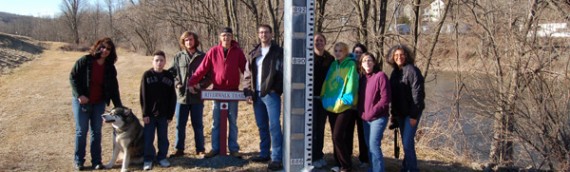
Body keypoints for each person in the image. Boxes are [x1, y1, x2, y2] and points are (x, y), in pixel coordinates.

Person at [187, 27, 247, 158]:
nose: (226, 38)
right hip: (217, 92)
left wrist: (250, 86)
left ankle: (233, 148)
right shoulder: (213, 51)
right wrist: (192, 82)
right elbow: (202, 69)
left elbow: (246, 70)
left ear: (232, 37)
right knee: (216, 122)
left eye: (229, 35)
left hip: (233, 92)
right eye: (224, 35)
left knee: (233, 122)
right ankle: (215, 148)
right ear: (220, 37)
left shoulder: (238, 52)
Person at [70, 37, 123, 171]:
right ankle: (79, 161)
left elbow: (114, 88)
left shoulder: (110, 68)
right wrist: (79, 95)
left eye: (109, 49)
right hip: (82, 102)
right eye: (103, 47)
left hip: (99, 103)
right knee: (81, 131)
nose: (105, 50)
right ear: (98, 46)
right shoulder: (85, 60)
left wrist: (118, 107)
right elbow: (73, 77)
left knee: (96, 132)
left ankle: (96, 161)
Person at [243, 24, 284, 171]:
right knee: (262, 126)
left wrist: (276, 89)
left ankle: (277, 157)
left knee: (274, 126)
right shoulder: (254, 52)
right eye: (261, 32)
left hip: (271, 94)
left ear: (271, 34)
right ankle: (264, 153)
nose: (263, 35)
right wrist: (247, 92)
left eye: (266, 32)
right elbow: (247, 74)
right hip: (256, 95)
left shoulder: (278, 52)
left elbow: (282, 73)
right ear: (258, 35)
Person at [168, 31, 211, 157]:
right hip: (182, 97)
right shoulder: (178, 56)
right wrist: (177, 84)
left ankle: (200, 148)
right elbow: (172, 73)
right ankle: (179, 149)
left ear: (195, 41)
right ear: (183, 42)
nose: (188, 42)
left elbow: (209, 77)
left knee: (198, 124)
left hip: (197, 97)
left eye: (191, 39)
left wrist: (200, 85)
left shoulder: (203, 56)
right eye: (186, 40)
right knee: (179, 125)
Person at [321, 42, 359, 172]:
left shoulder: (351, 65)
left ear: (346, 51)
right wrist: (323, 95)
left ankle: (346, 166)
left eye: (340, 51)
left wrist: (346, 100)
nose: (337, 53)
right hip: (331, 104)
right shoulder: (333, 64)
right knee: (334, 136)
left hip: (344, 106)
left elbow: (352, 83)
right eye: (336, 51)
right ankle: (338, 163)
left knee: (338, 136)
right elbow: (327, 80)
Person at [386, 44, 425, 172]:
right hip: (400, 114)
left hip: (411, 113)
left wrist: (414, 116)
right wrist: (393, 114)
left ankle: (412, 169)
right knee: (405, 142)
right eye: (396, 55)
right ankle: (405, 167)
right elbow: (393, 96)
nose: (399, 57)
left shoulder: (412, 70)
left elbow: (418, 96)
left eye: (401, 54)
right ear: (392, 57)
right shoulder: (394, 73)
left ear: (406, 56)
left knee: (408, 143)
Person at [140, 50, 176, 170]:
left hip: (164, 114)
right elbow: (143, 96)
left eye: (161, 60)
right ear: (153, 62)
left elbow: (172, 97)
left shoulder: (169, 76)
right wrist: (145, 113)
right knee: (149, 138)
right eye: (156, 60)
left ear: (165, 62)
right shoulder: (147, 75)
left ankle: (162, 157)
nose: (159, 63)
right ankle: (148, 159)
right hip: (150, 114)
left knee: (163, 137)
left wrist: (170, 115)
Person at [358, 53, 391, 172]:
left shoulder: (381, 76)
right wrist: (362, 113)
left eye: (369, 60)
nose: (367, 63)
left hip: (378, 118)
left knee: (374, 145)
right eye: (364, 61)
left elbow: (385, 99)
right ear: (361, 64)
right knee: (369, 145)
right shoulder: (362, 79)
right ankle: (373, 168)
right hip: (365, 118)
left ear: (374, 62)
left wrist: (372, 112)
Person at [311, 33, 334, 168]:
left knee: (320, 128)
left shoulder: (330, 58)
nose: (318, 43)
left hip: (324, 99)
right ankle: (311, 156)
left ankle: (319, 155)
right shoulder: (307, 57)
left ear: (325, 42)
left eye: (320, 40)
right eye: (315, 41)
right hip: (310, 99)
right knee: (311, 129)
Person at [352, 42, 369, 167]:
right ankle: (347, 157)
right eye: (356, 52)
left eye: (360, 52)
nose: (357, 54)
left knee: (362, 133)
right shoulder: (349, 65)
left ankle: (364, 159)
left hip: (363, 107)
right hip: (350, 106)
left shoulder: (367, 68)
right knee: (347, 132)